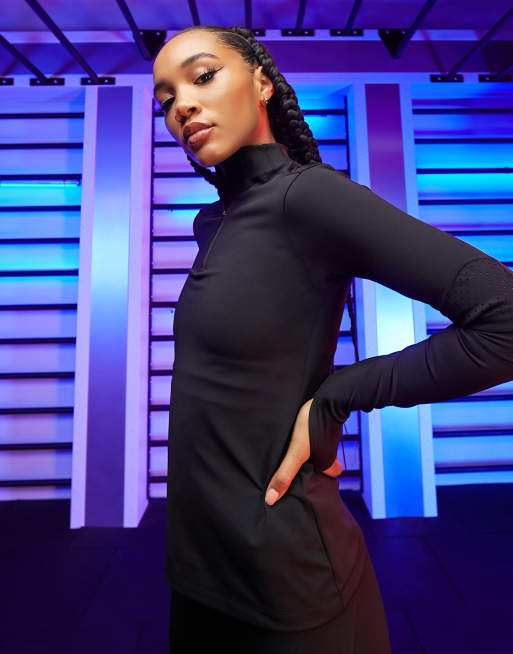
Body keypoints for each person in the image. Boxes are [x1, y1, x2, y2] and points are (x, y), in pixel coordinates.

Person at [152, 25, 513, 653]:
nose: (181, 105)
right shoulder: (213, 221)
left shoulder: (310, 196)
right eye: (165, 99)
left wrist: (335, 397)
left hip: (287, 584)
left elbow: (503, 319)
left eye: (203, 76)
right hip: (197, 574)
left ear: (262, 83)